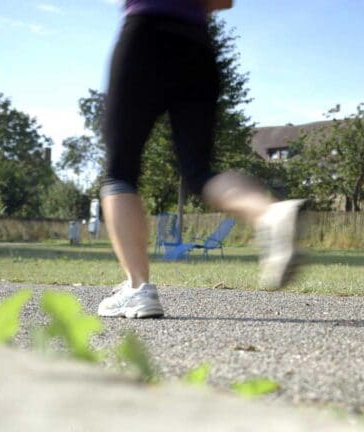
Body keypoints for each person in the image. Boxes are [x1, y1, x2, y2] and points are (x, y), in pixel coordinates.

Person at [97, 0, 304, 319]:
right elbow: (224, 1)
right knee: (199, 173)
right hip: (197, 46)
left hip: (145, 36)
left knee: (119, 173)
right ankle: (270, 213)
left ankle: (138, 288)